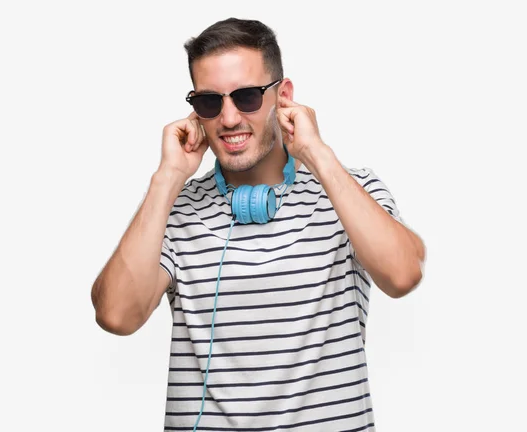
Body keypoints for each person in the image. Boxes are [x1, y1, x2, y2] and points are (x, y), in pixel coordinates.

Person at [91, 17, 426, 432]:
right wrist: (166, 178)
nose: (228, 118)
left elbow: (403, 273)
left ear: (284, 96)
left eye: (247, 97)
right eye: (210, 102)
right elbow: (116, 316)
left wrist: (316, 153)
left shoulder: (350, 190)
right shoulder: (172, 211)